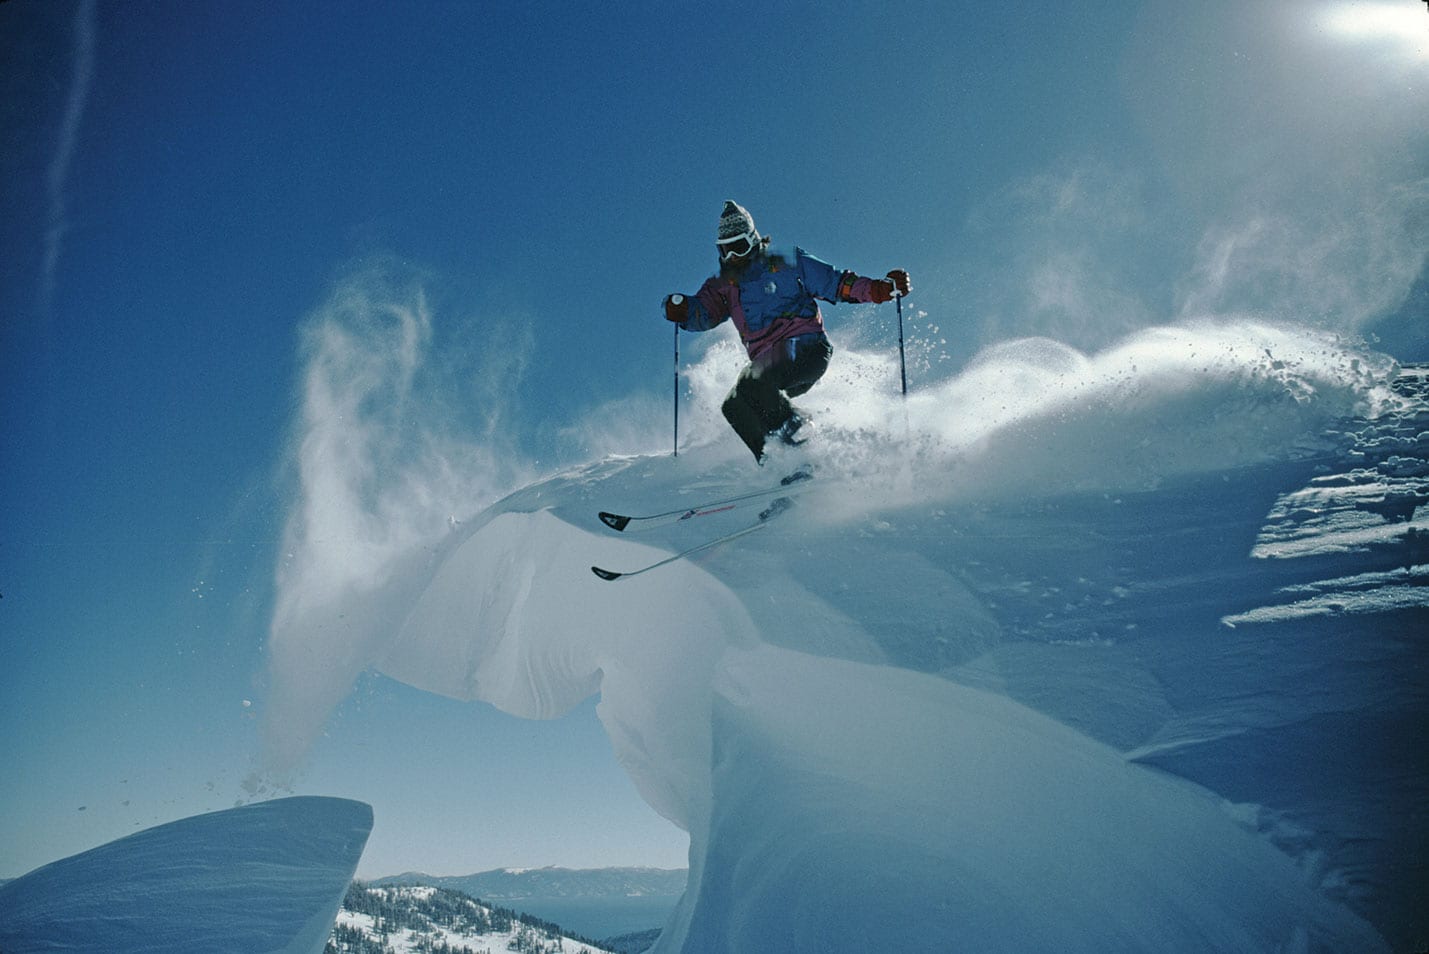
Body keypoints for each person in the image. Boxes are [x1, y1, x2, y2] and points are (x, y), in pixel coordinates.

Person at [664, 200, 912, 463]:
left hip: (806, 347)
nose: (732, 257)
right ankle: (778, 466)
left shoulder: (787, 263)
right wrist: (683, 311)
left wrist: (879, 289)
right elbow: (703, 313)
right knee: (735, 406)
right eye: (725, 250)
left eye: (738, 247)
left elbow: (837, 283)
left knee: (753, 382)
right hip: (770, 365)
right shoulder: (723, 285)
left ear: (753, 240)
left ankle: (802, 435)